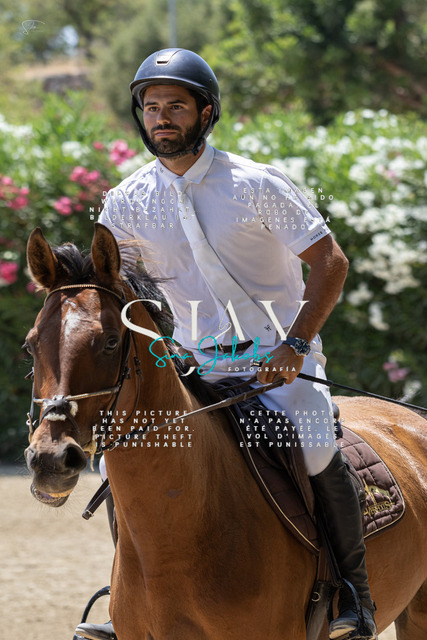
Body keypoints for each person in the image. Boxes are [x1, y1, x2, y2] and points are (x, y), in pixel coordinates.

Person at [75, 48, 377, 640]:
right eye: (152, 107)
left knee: (315, 443)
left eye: (175, 106)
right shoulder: (126, 201)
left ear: (205, 112)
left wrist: (296, 344)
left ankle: (353, 594)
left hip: (278, 365)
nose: (162, 118)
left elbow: (330, 263)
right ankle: (130, 599)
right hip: (194, 369)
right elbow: (121, 293)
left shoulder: (256, 184)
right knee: (122, 458)